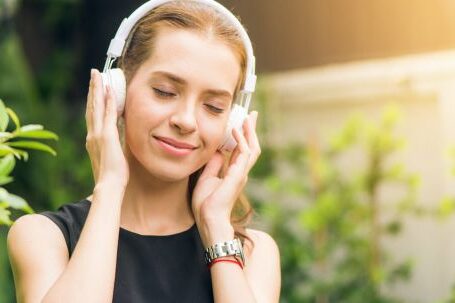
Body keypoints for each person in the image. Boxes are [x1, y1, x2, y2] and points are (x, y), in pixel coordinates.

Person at [7, 1, 281, 302]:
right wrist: (110, 186)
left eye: (214, 107)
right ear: (118, 91)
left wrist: (216, 228)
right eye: (165, 91)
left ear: (232, 124)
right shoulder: (44, 237)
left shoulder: (254, 253)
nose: (186, 121)